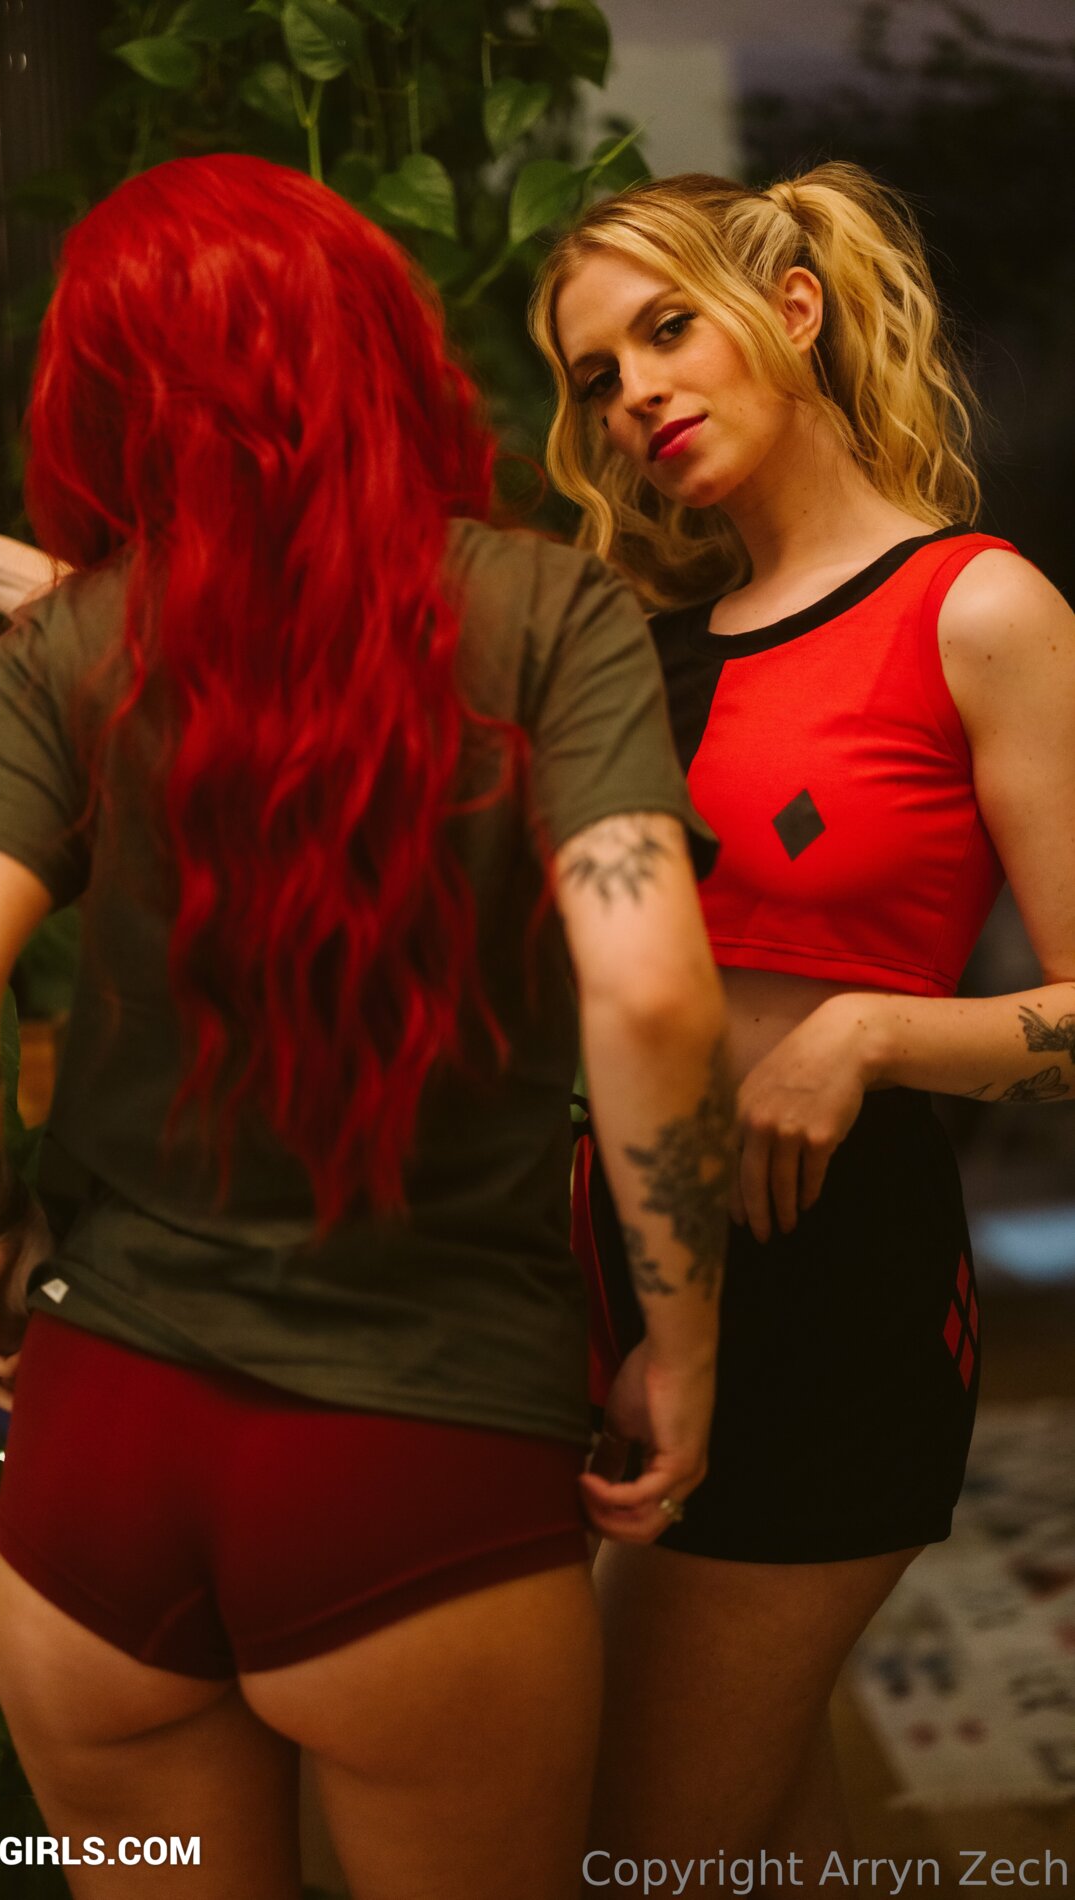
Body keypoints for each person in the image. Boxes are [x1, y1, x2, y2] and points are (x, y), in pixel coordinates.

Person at [0, 154, 729, 1900]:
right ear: (382, 346)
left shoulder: (73, 641)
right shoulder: (552, 614)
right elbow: (647, 989)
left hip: (99, 1488)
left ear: (108, 394)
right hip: (423, 1483)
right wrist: (682, 1341)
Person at [526, 163, 1075, 1877]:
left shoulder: (975, 608)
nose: (635, 396)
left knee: (640, 1842)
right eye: (598, 376)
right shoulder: (645, 646)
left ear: (793, 306)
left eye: (666, 329)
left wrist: (873, 1034)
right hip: (627, 1270)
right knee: (757, 1830)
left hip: (835, 1285)